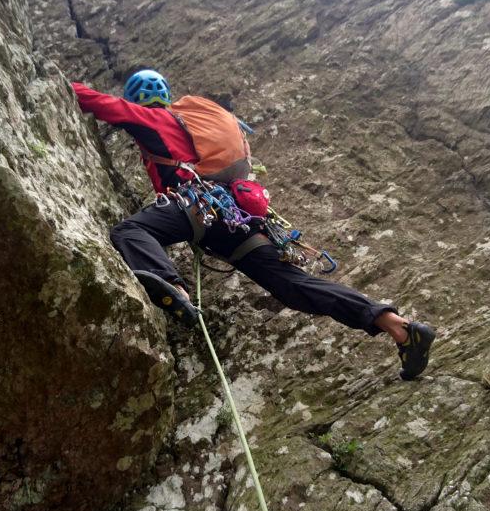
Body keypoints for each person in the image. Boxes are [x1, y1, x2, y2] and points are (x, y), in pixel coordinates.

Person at [71, 69, 435, 380]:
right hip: (241, 220)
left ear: (138, 98)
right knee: (294, 286)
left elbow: (103, 105)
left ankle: (174, 290)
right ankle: (398, 328)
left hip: (198, 206)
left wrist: (61, 83)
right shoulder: (203, 123)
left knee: (130, 231)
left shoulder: (156, 119)